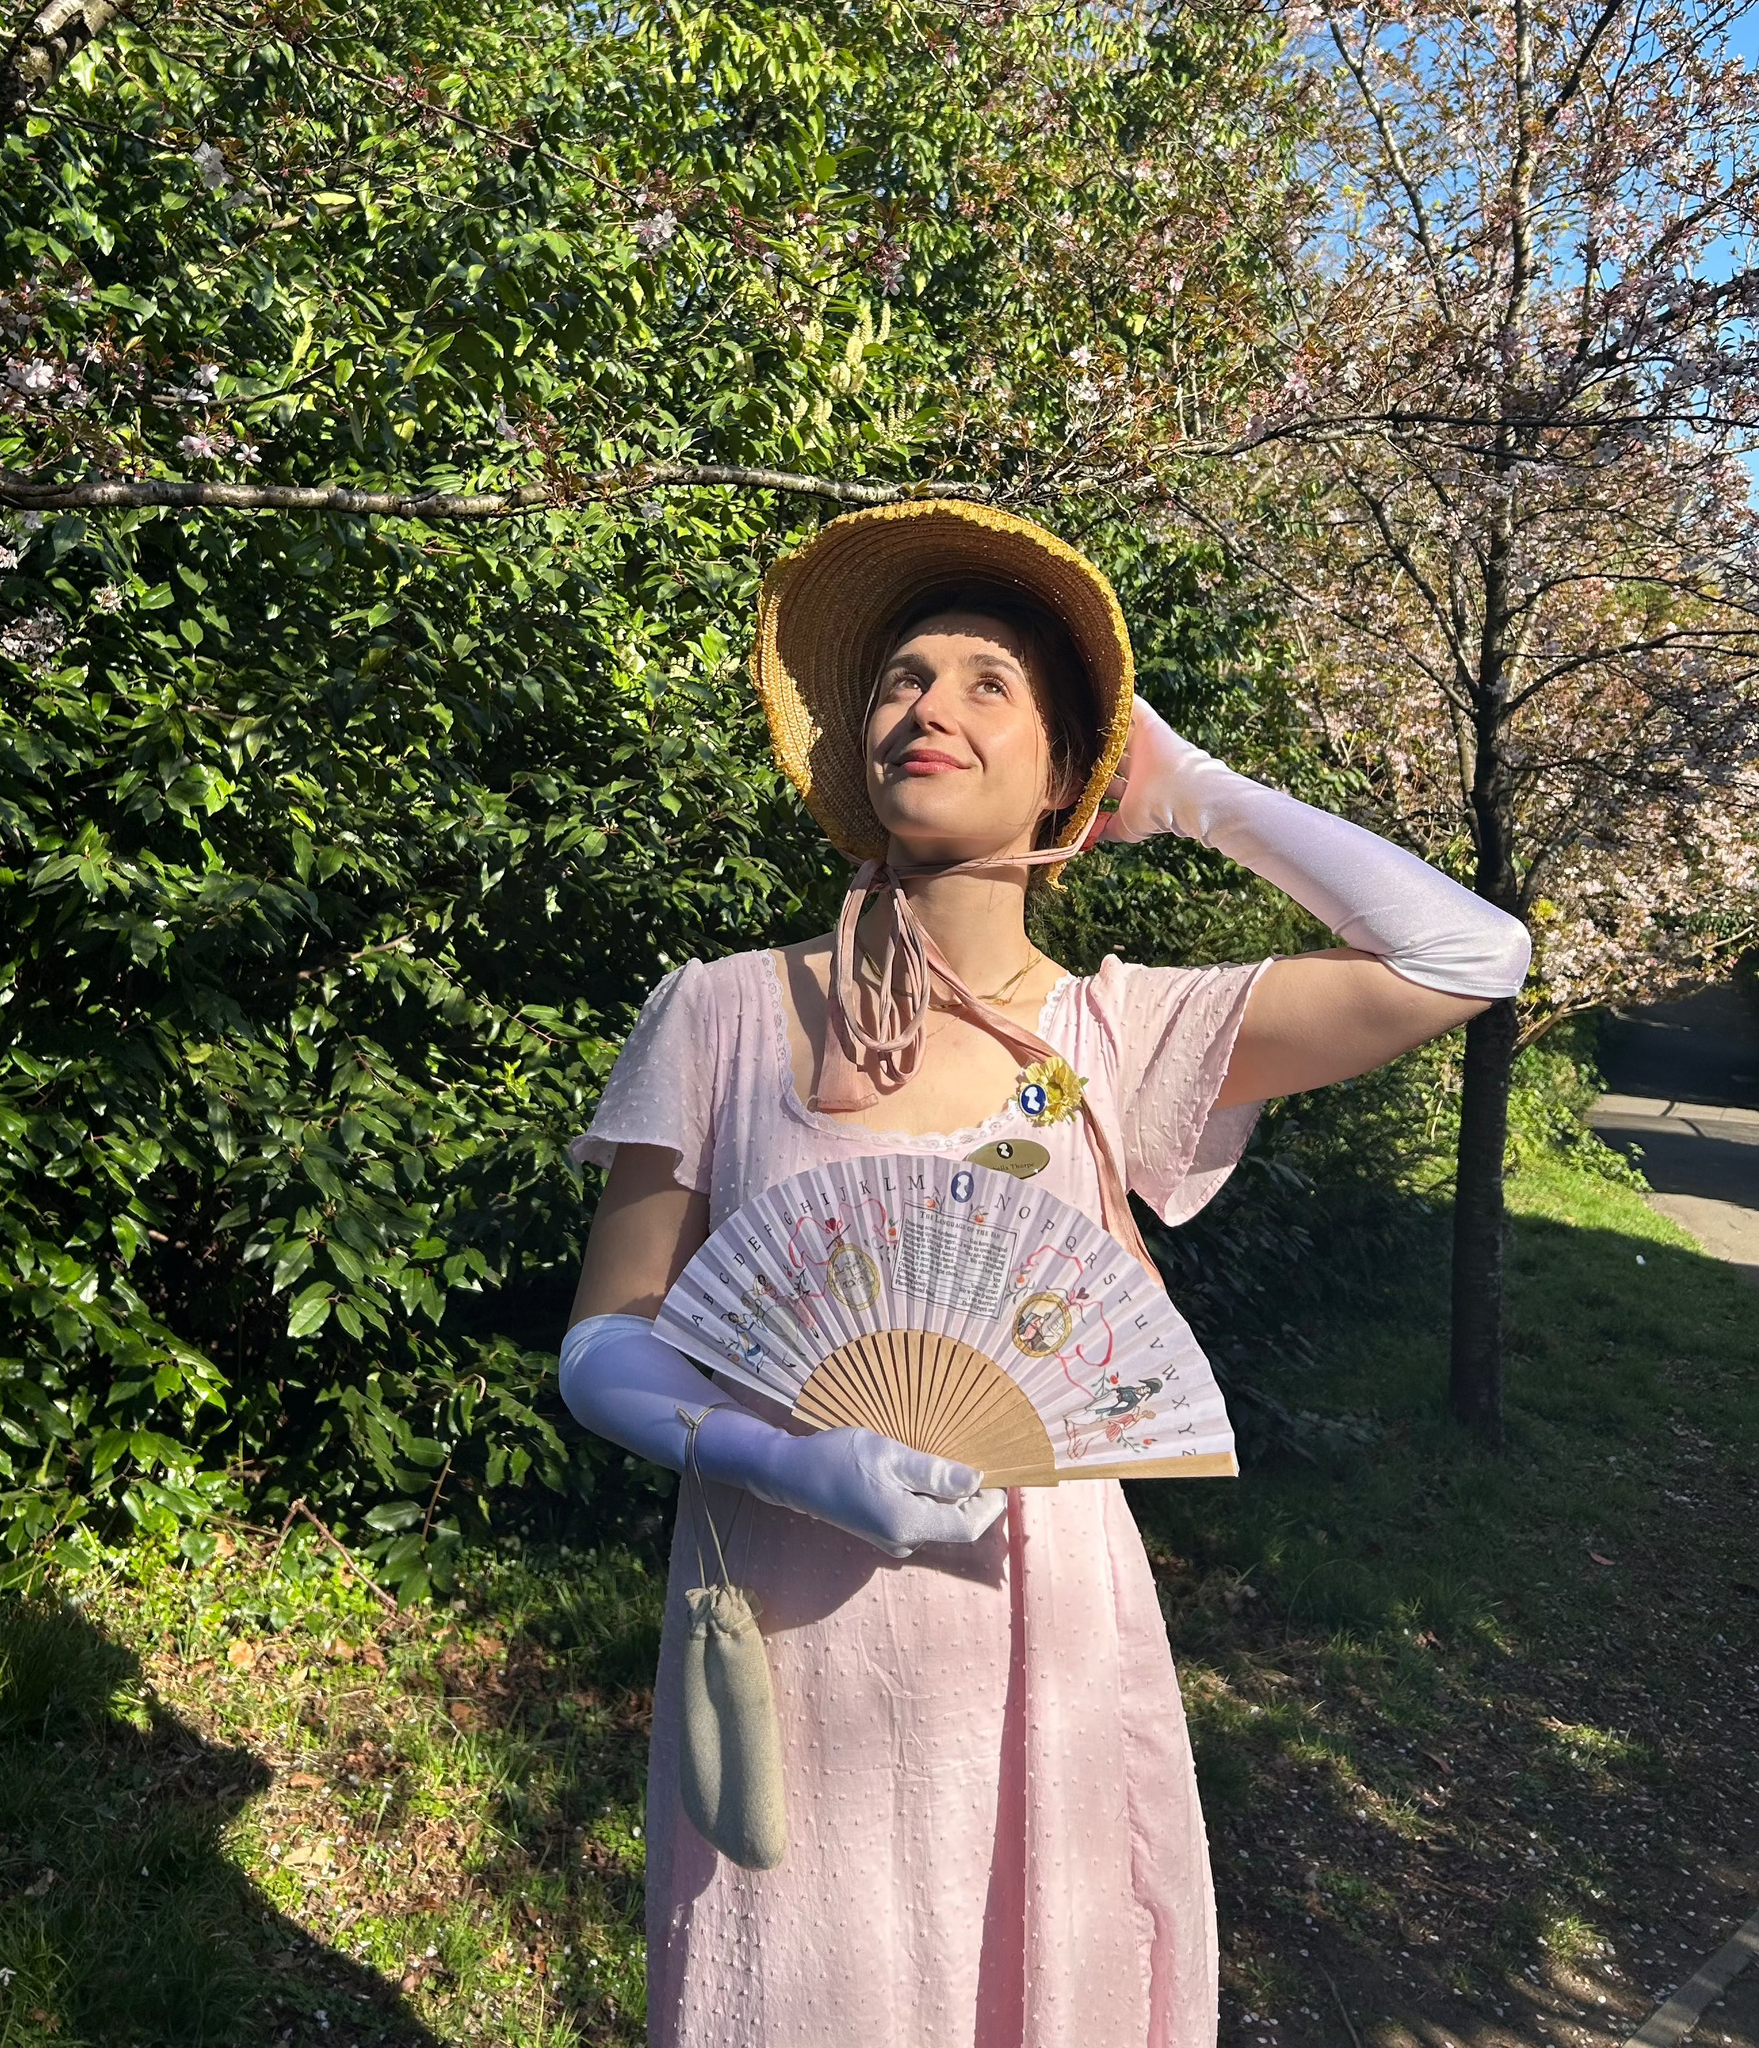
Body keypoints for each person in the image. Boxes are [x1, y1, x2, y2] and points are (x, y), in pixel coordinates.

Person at [557, 502, 1529, 2047]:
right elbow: (605, 1343)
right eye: (897, 680)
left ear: (1069, 775)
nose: (926, 706)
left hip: (1042, 1635)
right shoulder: (726, 1011)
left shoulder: (1119, 1038)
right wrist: (780, 1457)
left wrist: (1197, 792)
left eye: (985, 682)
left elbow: (1470, 957)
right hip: (791, 1634)